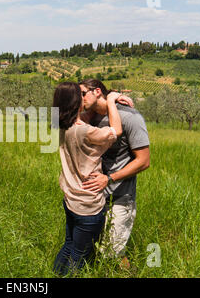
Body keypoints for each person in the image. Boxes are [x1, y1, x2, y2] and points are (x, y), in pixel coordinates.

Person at [52, 82, 123, 276]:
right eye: (80, 95)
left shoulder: (61, 124)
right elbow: (116, 130)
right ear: (76, 102)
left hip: (70, 199)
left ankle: (54, 274)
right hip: (87, 204)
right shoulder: (84, 131)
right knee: (79, 256)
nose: (84, 97)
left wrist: (88, 111)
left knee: (68, 245)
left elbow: (81, 120)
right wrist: (110, 100)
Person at [79, 79, 150, 268]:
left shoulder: (130, 117)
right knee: (94, 251)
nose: (80, 98)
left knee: (111, 252)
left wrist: (109, 178)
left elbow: (143, 161)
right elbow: (58, 120)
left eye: (83, 93)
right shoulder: (89, 117)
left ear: (97, 92)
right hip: (94, 196)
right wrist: (111, 100)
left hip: (120, 196)